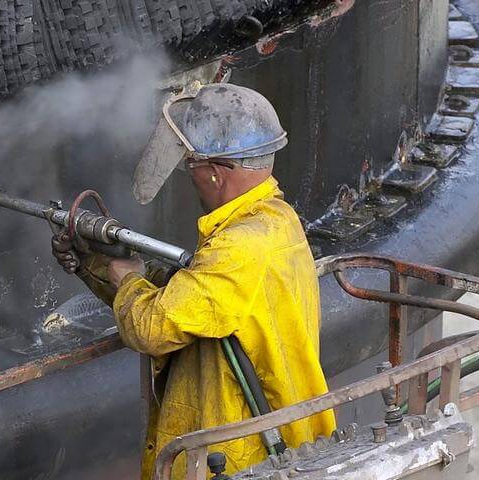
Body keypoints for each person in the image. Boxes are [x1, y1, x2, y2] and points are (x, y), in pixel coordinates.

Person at [51, 83, 336, 478]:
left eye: (192, 166)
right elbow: (184, 300)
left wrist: (128, 277)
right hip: (263, 441)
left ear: (217, 173)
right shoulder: (272, 222)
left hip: (240, 455)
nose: (190, 177)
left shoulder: (239, 248)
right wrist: (93, 263)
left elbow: (152, 327)